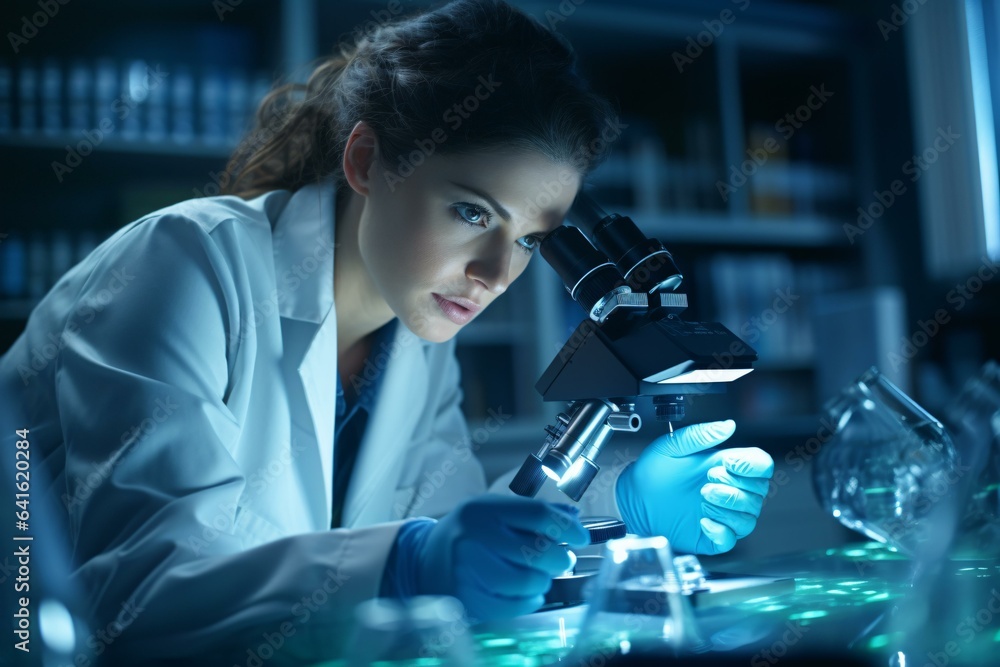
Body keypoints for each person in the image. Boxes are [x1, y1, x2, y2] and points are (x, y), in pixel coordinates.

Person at [0, 0, 774, 663]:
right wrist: (408, 563)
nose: (497, 271)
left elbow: (462, 536)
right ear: (367, 160)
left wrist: (618, 507)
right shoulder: (185, 264)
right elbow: (140, 598)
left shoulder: (414, 337)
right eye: (473, 212)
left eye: (534, 239)